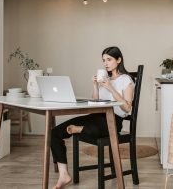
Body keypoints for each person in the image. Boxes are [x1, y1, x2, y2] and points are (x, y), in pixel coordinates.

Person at [50, 46, 134, 189]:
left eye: (109, 59)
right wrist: (95, 85)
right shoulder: (104, 79)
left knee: (96, 127)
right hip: (96, 116)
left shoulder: (126, 80)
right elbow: (95, 102)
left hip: (114, 120)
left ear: (118, 60)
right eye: (103, 60)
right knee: (55, 133)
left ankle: (80, 129)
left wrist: (110, 88)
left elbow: (127, 108)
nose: (106, 63)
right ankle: (64, 174)